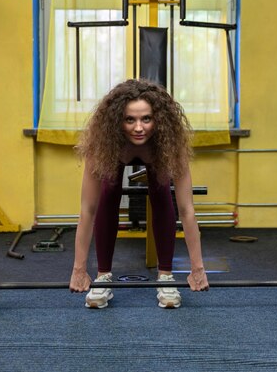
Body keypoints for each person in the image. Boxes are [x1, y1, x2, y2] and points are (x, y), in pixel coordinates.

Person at [69, 79, 209, 308]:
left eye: (146, 118)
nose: (138, 127)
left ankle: (166, 276)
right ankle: (103, 276)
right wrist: (79, 269)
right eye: (129, 119)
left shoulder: (170, 143)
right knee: (109, 189)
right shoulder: (102, 144)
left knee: (161, 190)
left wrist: (198, 268)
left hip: (156, 155)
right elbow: (88, 209)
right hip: (116, 152)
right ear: (117, 121)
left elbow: (186, 210)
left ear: (158, 119)